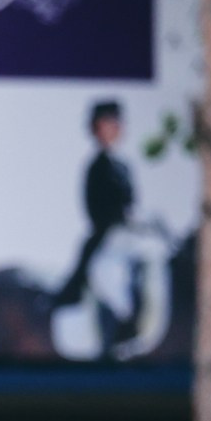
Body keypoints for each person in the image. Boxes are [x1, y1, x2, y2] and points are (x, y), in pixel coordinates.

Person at [58, 98, 135, 309]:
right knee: (107, 274)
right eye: (109, 123)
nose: (116, 128)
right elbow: (94, 206)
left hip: (127, 234)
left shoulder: (122, 166)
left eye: (117, 122)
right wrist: (113, 222)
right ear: (97, 128)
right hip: (107, 234)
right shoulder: (97, 166)